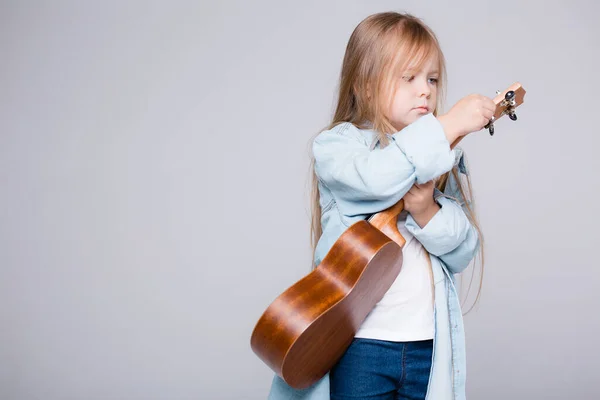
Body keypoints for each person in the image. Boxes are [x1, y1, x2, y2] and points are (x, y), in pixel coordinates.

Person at [267, 11, 495, 400]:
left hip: (427, 345)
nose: (425, 90)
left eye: (432, 79)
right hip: (360, 346)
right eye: (408, 78)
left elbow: (463, 249)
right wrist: (446, 125)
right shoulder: (339, 147)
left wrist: (427, 212)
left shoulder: (444, 157)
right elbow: (377, 179)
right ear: (367, 86)